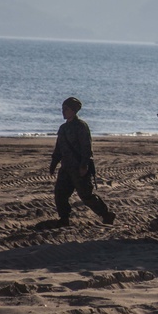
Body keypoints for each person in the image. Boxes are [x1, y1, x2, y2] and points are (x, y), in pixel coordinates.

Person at [49, 96, 115, 227]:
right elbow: (58, 148)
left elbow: (86, 148)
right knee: (60, 194)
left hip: (79, 168)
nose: (63, 111)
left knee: (86, 196)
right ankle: (64, 219)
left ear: (73, 110)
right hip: (66, 168)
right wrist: (53, 163)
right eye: (63, 109)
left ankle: (106, 214)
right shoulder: (63, 128)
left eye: (66, 109)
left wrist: (84, 165)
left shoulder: (81, 126)